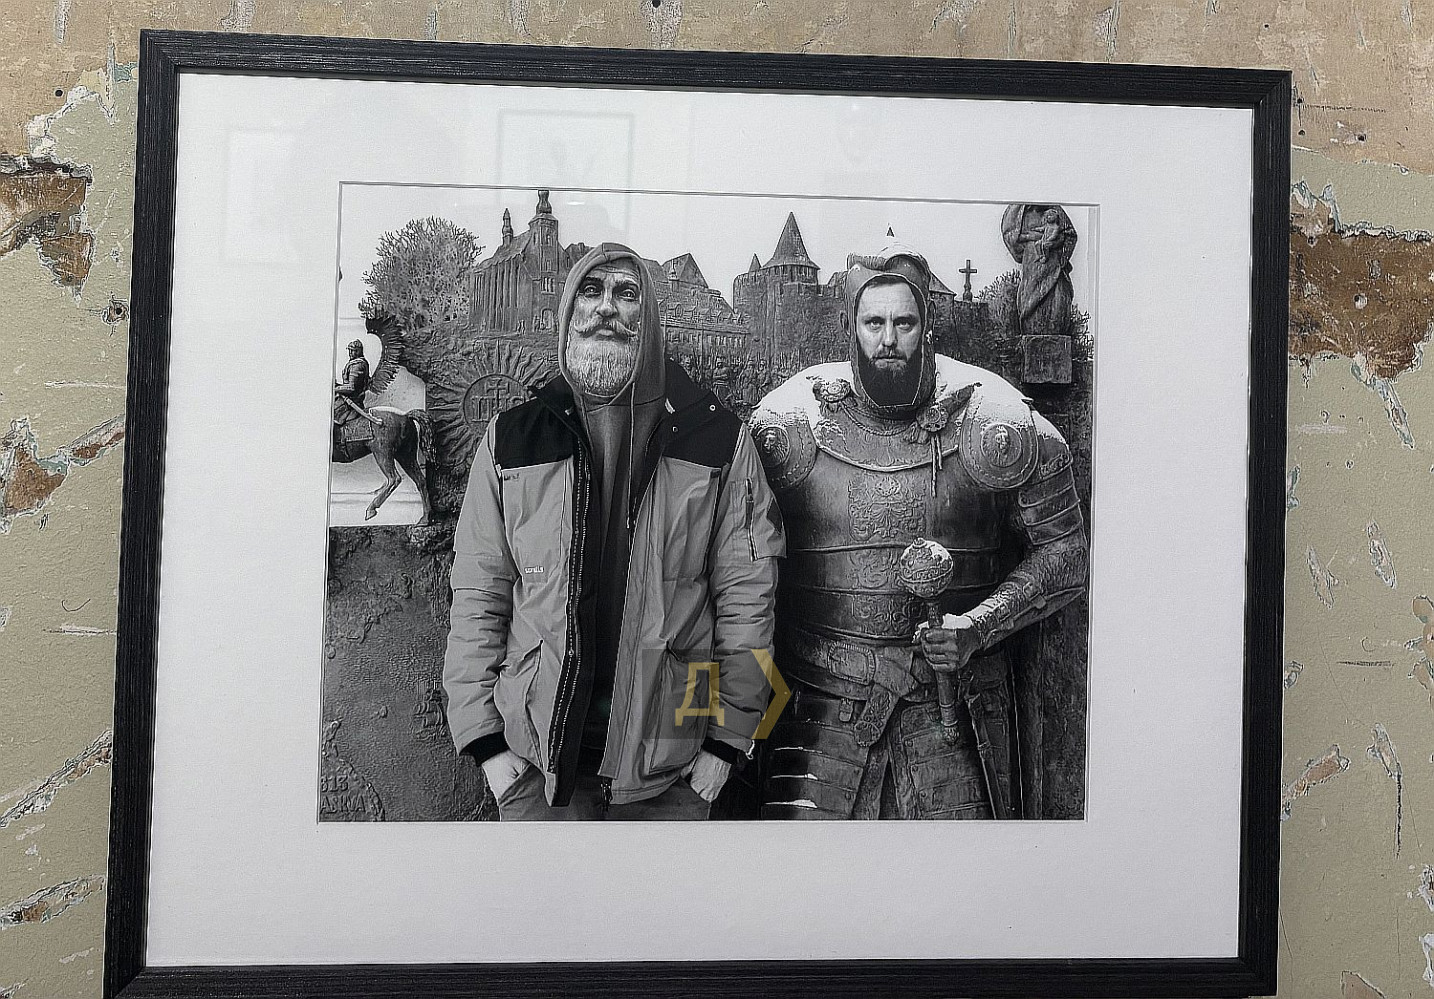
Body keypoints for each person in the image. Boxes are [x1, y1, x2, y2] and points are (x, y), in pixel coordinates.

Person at [442, 243, 784, 820]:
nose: (606, 307)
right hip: (535, 767)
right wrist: (486, 745)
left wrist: (728, 745)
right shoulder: (513, 439)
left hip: (674, 770)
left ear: (649, 317)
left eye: (626, 293)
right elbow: (479, 593)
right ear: (568, 313)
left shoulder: (717, 440)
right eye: (591, 291)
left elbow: (750, 599)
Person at [748, 245, 1088, 820]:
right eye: (873, 323)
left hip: (954, 716)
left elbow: (1067, 551)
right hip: (819, 716)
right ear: (851, 328)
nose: (888, 339)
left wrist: (978, 626)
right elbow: (734, 574)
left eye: (903, 323)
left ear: (927, 327)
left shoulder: (993, 422)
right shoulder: (789, 426)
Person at [333, 339, 371, 425]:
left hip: (350, 403)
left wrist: (334, 389)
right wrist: (337, 385)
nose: (350, 353)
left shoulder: (356, 366)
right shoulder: (356, 363)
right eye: (349, 350)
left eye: (352, 351)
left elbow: (351, 388)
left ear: (358, 351)